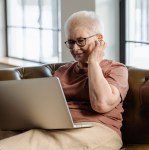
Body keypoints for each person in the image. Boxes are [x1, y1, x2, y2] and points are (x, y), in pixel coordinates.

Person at [0, 11, 129, 150]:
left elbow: (101, 104)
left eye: (81, 41)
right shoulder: (62, 71)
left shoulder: (116, 69)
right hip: (60, 128)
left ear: (99, 39)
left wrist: (93, 62)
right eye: (71, 42)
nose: (75, 48)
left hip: (98, 130)